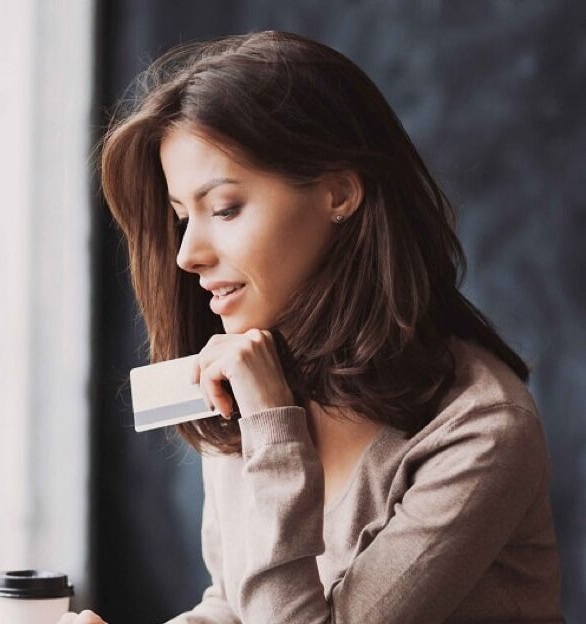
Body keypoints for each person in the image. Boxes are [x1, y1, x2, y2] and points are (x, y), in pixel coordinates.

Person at [58, 30, 564, 623]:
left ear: (339, 193)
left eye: (224, 209)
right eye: (180, 217)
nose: (186, 254)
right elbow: (237, 604)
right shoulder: (251, 375)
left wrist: (274, 428)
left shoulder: (480, 431)